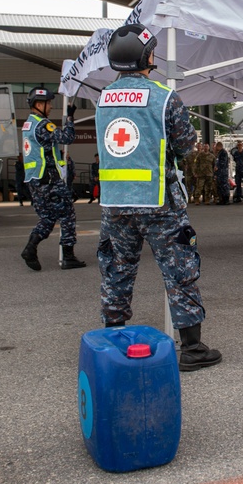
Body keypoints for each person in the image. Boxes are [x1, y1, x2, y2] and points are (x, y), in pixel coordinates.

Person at [95, 22, 221, 371]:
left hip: (115, 203)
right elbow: (184, 145)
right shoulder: (164, 97)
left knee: (116, 271)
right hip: (158, 201)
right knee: (179, 269)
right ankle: (192, 349)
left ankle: (112, 341)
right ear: (146, 56)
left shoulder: (102, 99)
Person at [19, 87, 86, 272]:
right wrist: (70, 119)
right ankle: (68, 256)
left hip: (35, 180)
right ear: (39, 104)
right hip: (49, 180)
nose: (50, 107)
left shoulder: (29, 125)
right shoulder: (43, 125)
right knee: (67, 215)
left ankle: (30, 248)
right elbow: (67, 138)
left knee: (47, 218)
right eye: (48, 103)